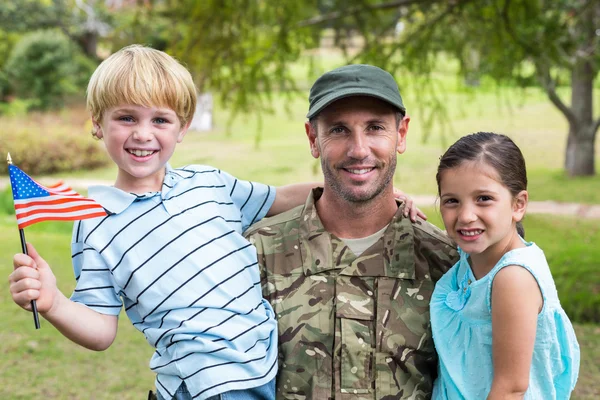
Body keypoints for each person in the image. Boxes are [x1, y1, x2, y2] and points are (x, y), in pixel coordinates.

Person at [7, 44, 324, 400]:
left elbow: (281, 198)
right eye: (126, 118)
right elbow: (101, 330)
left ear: (182, 127)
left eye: (160, 120)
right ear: (97, 122)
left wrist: (382, 195)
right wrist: (53, 302)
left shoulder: (210, 183)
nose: (143, 134)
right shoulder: (95, 222)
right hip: (206, 387)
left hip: (271, 368)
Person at [244, 64, 458, 399]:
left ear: (401, 134)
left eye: (375, 128)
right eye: (339, 130)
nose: (359, 150)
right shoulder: (256, 254)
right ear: (313, 138)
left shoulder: (445, 263)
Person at [431, 132, 580, 399]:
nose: (465, 216)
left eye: (483, 199)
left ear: (518, 205)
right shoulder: (476, 254)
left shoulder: (513, 278)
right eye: (452, 201)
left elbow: (510, 389)